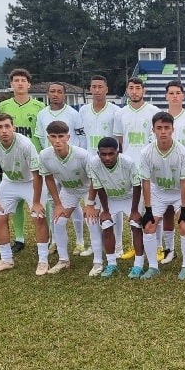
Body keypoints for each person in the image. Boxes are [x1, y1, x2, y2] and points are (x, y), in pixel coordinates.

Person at [0, 113, 49, 274]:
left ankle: (43, 261)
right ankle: (6, 259)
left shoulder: (25, 144)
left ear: (14, 128)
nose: (4, 130)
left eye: (7, 126)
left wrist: (37, 202)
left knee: (38, 217)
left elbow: (37, 174)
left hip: (31, 182)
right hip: (10, 182)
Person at [39, 121, 103, 276]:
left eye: (61, 136)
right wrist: (58, 204)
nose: (57, 140)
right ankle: (63, 260)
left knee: (92, 221)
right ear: (48, 138)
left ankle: (98, 262)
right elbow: (48, 179)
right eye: (53, 137)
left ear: (68, 137)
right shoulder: (44, 155)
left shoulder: (82, 154)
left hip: (89, 189)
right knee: (58, 222)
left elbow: (94, 179)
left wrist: (89, 204)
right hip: (69, 190)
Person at [138, 112, 185, 280]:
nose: (163, 131)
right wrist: (148, 209)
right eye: (159, 128)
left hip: (179, 193)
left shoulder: (182, 152)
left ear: (172, 129)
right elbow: (146, 182)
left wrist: (184, 208)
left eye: (166, 128)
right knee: (148, 226)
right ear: (153, 130)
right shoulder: (146, 152)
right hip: (158, 192)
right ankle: (153, 267)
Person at [34, 82, 88, 256]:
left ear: (64, 94)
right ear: (47, 94)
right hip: (52, 163)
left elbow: (81, 138)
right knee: (54, 202)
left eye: (59, 92)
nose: (55, 94)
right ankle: (55, 240)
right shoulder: (42, 114)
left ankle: (80, 240)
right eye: (52, 91)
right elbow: (40, 139)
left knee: (76, 200)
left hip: (71, 164)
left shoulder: (73, 113)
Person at [0, 68, 44, 253]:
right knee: (15, 201)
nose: (20, 83)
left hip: (34, 159)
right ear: (11, 84)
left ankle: (46, 238)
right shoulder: (4, 106)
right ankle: (19, 238)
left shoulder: (39, 107)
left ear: (29, 84)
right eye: (16, 80)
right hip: (12, 160)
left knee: (40, 200)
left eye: (23, 80)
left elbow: (41, 134)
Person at [113, 77, 161, 260]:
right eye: (131, 88)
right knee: (134, 208)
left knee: (153, 207)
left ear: (144, 91)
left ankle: (157, 247)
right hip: (129, 168)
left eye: (138, 88)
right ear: (127, 90)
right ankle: (136, 245)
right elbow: (120, 142)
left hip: (149, 166)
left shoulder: (153, 111)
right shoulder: (120, 113)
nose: (134, 91)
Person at [86, 137, 145, 278]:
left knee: (135, 225)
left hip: (130, 197)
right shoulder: (93, 163)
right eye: (103, 154)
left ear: (117, 152)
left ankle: (138, 265)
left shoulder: (128, 162)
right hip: (110, 198)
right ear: (98, 153)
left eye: (111, 154)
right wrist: (105, 211)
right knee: (106, 224)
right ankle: (112, 264)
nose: (107, 158)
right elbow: (99, 187)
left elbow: (137, 186)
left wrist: (135, 210)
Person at [157, 80, 185, 265]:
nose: (174, 96)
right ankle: (170, 249)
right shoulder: (160, 117)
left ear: (183, 96)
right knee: (166, 211)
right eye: (171, 93)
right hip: (165, 171)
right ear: (166, 96)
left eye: (177, 93)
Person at [78, 75, 121, 257]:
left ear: (106, 89)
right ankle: (95, 244)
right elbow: (80, 137)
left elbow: (119, 138)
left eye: (100, 87)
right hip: (90, 163)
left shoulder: (116, 111)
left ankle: (117, 245)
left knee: (113, 204)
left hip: (109, 163)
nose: (96, 90)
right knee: (92, 204)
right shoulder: (83, 111)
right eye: (93, 86)